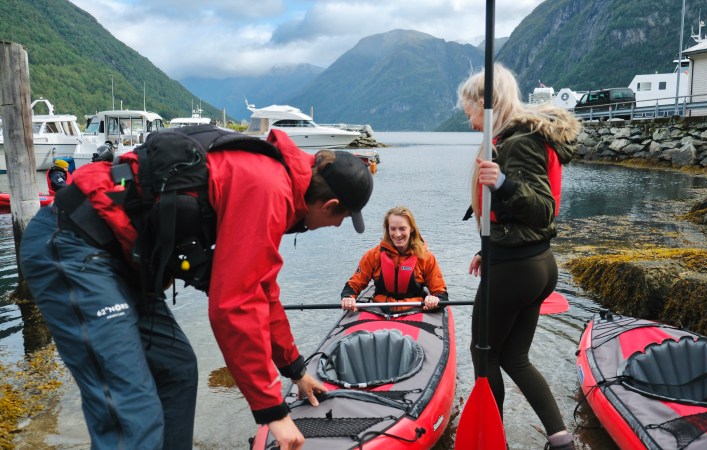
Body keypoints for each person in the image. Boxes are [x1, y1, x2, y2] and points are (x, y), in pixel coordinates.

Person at [20, 126, 374, 450]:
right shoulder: (267, 188)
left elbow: (262, 290)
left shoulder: (276, 181)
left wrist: (295, 369)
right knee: (132, 412)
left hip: (124, 264)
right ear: (329, 205)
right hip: (74, 245)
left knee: (178, 369)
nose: (338, 225)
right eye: (341, 218)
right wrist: (272, 411)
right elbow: (234, 305)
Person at [458, 64, 580, 450]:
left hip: (516, 270)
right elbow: (516, 218)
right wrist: (486, 249)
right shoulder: (516, 139)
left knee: (484, 358)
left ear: (487, 103)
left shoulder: (517, 142)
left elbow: (543, 209)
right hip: (534, 265)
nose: (471, 123)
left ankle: (492, 443)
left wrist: (504, 183)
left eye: (470, 113)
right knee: (515, 357)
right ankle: (561, 439)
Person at [341, 205, 447, 312]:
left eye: (402, 229)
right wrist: (348, 297)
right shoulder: (373, 255)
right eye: (393, 229)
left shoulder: (426, 258)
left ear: (411, 229)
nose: (397, 234)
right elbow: (354, 284)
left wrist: (434, 299)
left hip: (414, 309)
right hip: (380, 309)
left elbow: (440, 292)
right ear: (387, 229)